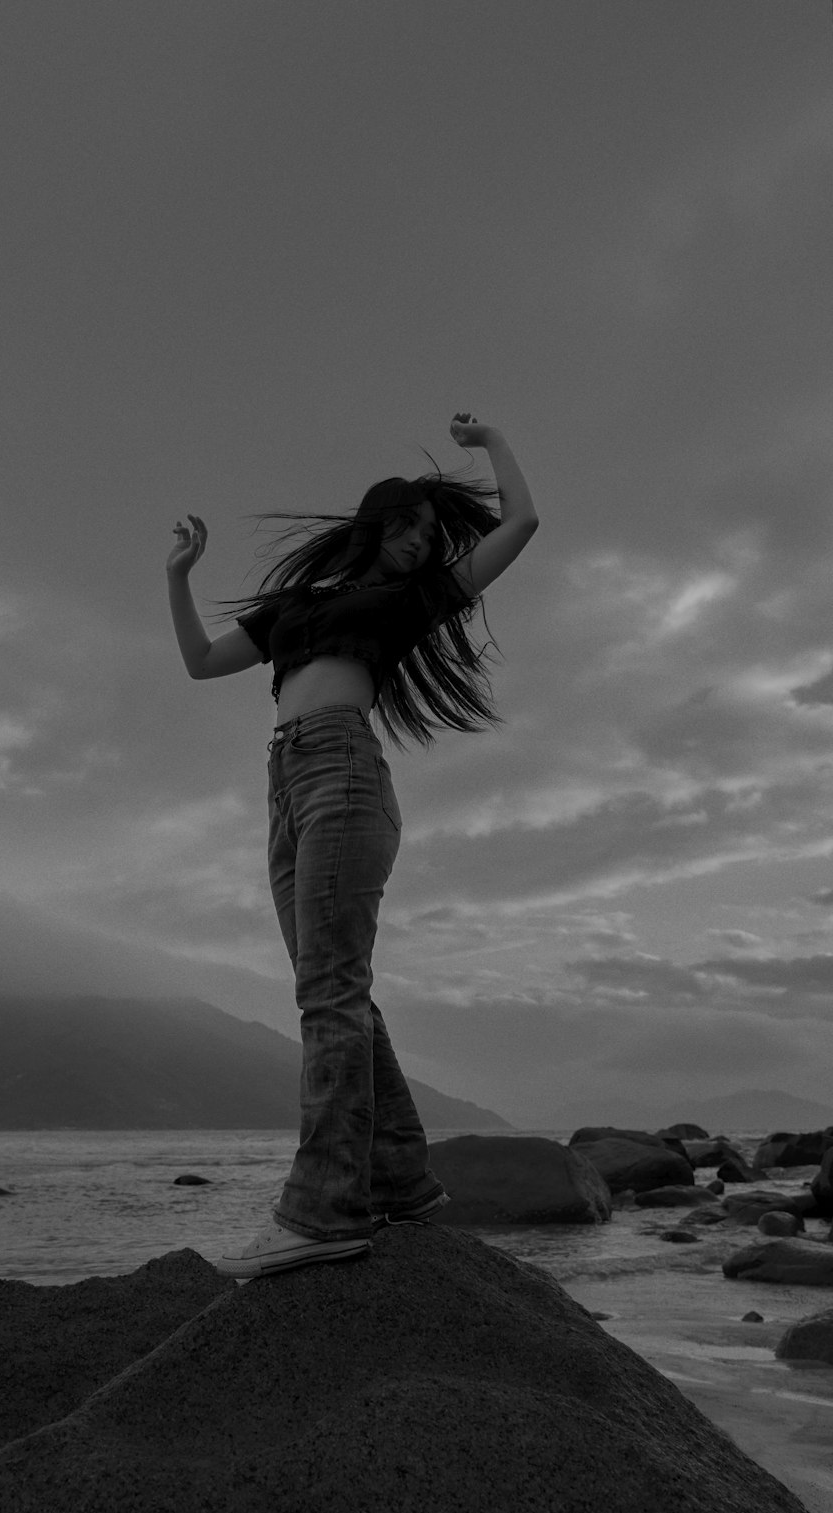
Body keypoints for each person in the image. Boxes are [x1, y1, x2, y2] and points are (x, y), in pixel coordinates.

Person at [167, 414, 538, 1278]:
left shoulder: (416, 597)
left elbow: (520, 524)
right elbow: (197, 661)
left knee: (329, 992)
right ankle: (401, 1182)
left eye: (427, 533)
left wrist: (491, 442)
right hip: (288, 781)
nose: (417, 543)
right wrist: (178, 575)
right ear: (374, 525)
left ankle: (325, 1210)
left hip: (343, 768)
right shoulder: (299, 605)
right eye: (405, 526)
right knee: (335, 991)